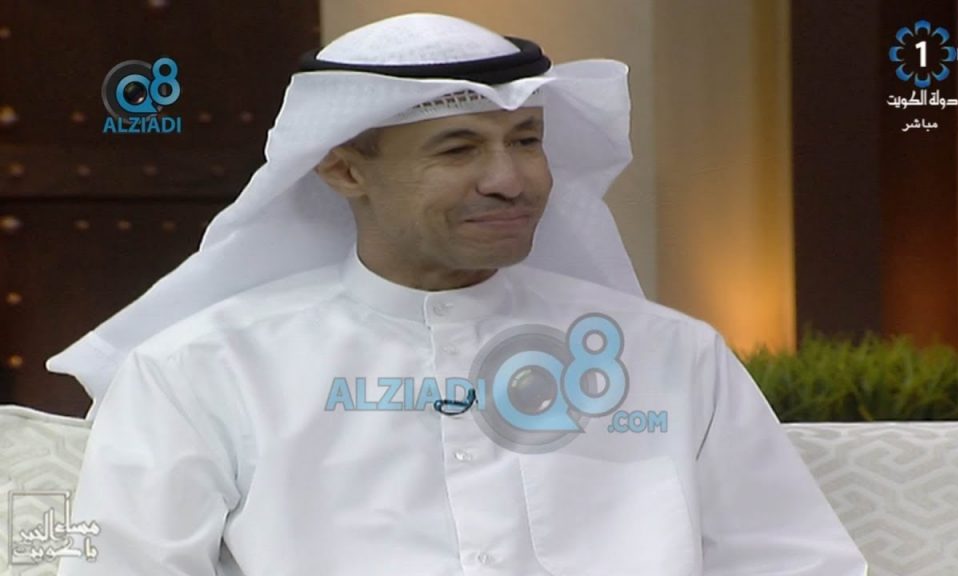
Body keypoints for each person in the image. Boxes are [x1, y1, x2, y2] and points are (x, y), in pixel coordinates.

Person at [52, 13, 867, 576]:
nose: (511, 180)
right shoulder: (199, 369)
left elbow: (793, 560)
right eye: (457, 148)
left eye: (526, 140)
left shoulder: (670, 356)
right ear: (343, 169)